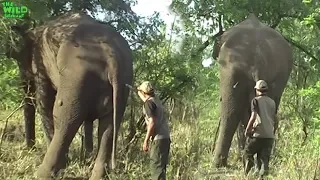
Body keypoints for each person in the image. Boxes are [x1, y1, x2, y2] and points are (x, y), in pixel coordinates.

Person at [243, 80, 278, 179]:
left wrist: (247, 130)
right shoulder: (272, 102)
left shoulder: (255, 100)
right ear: (266, 90)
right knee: (264, 158)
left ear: (257, 90)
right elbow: (274, 118)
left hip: (258, 135)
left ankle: (248, 172)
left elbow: (253, 116)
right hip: (269, 136)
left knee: (247, 152)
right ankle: (261, 177)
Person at [137, 81, 171, 180]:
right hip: (165, 138)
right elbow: (148, 100)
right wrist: (141, 93)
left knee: (156, 169)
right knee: (161, 168)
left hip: (158, 139)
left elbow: (151, 123)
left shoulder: (148, 103)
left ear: (143, 92)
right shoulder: (156, 100)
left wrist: (146, 141)